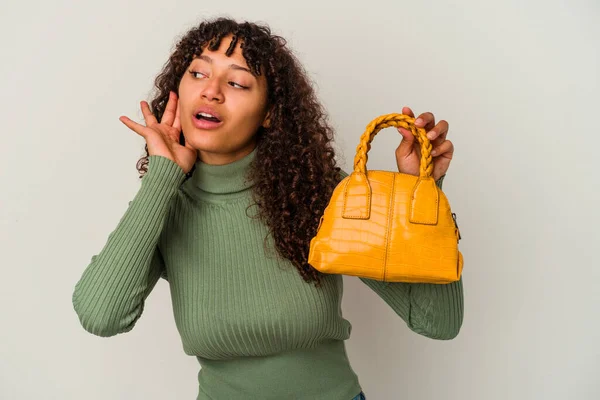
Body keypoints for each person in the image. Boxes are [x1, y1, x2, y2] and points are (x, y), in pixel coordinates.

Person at [72, 17, 463, 400]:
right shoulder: (166, 204)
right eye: (197, 74)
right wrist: (162, 177)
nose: (211, 91)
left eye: (238, 81)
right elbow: (101, 315)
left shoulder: (321, 191)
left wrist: (422, 193)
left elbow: (436, 322)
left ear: (271, 113)